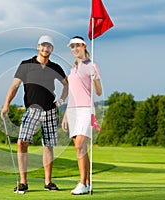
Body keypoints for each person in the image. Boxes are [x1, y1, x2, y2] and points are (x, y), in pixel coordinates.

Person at [1, 35, 68, 194]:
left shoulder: (55, 67)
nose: (46, 49)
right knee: (22, 142)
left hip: (50, 110)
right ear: (38, 47)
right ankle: (23, 182)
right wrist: (6, 105)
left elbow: (67, 84)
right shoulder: (26, 65)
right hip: (32, 110)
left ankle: (48, 182)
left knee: (48, 145)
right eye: (43, 46)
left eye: (49, 47)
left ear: (52, 49)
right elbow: (14, 86)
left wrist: (62, 99)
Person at [61, 36, 102, 195]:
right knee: (81, 149)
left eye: (77, 46)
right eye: (72, 47)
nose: (74, 49)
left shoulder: (92, 66)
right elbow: (72, 93)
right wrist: (65, 114)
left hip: (86, 109)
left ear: (84, 46)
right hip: (72, 111)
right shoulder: (73, 68)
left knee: (79, 146)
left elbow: (98, 92)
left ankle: (82, 183)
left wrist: (94, 77)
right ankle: (87, 183)